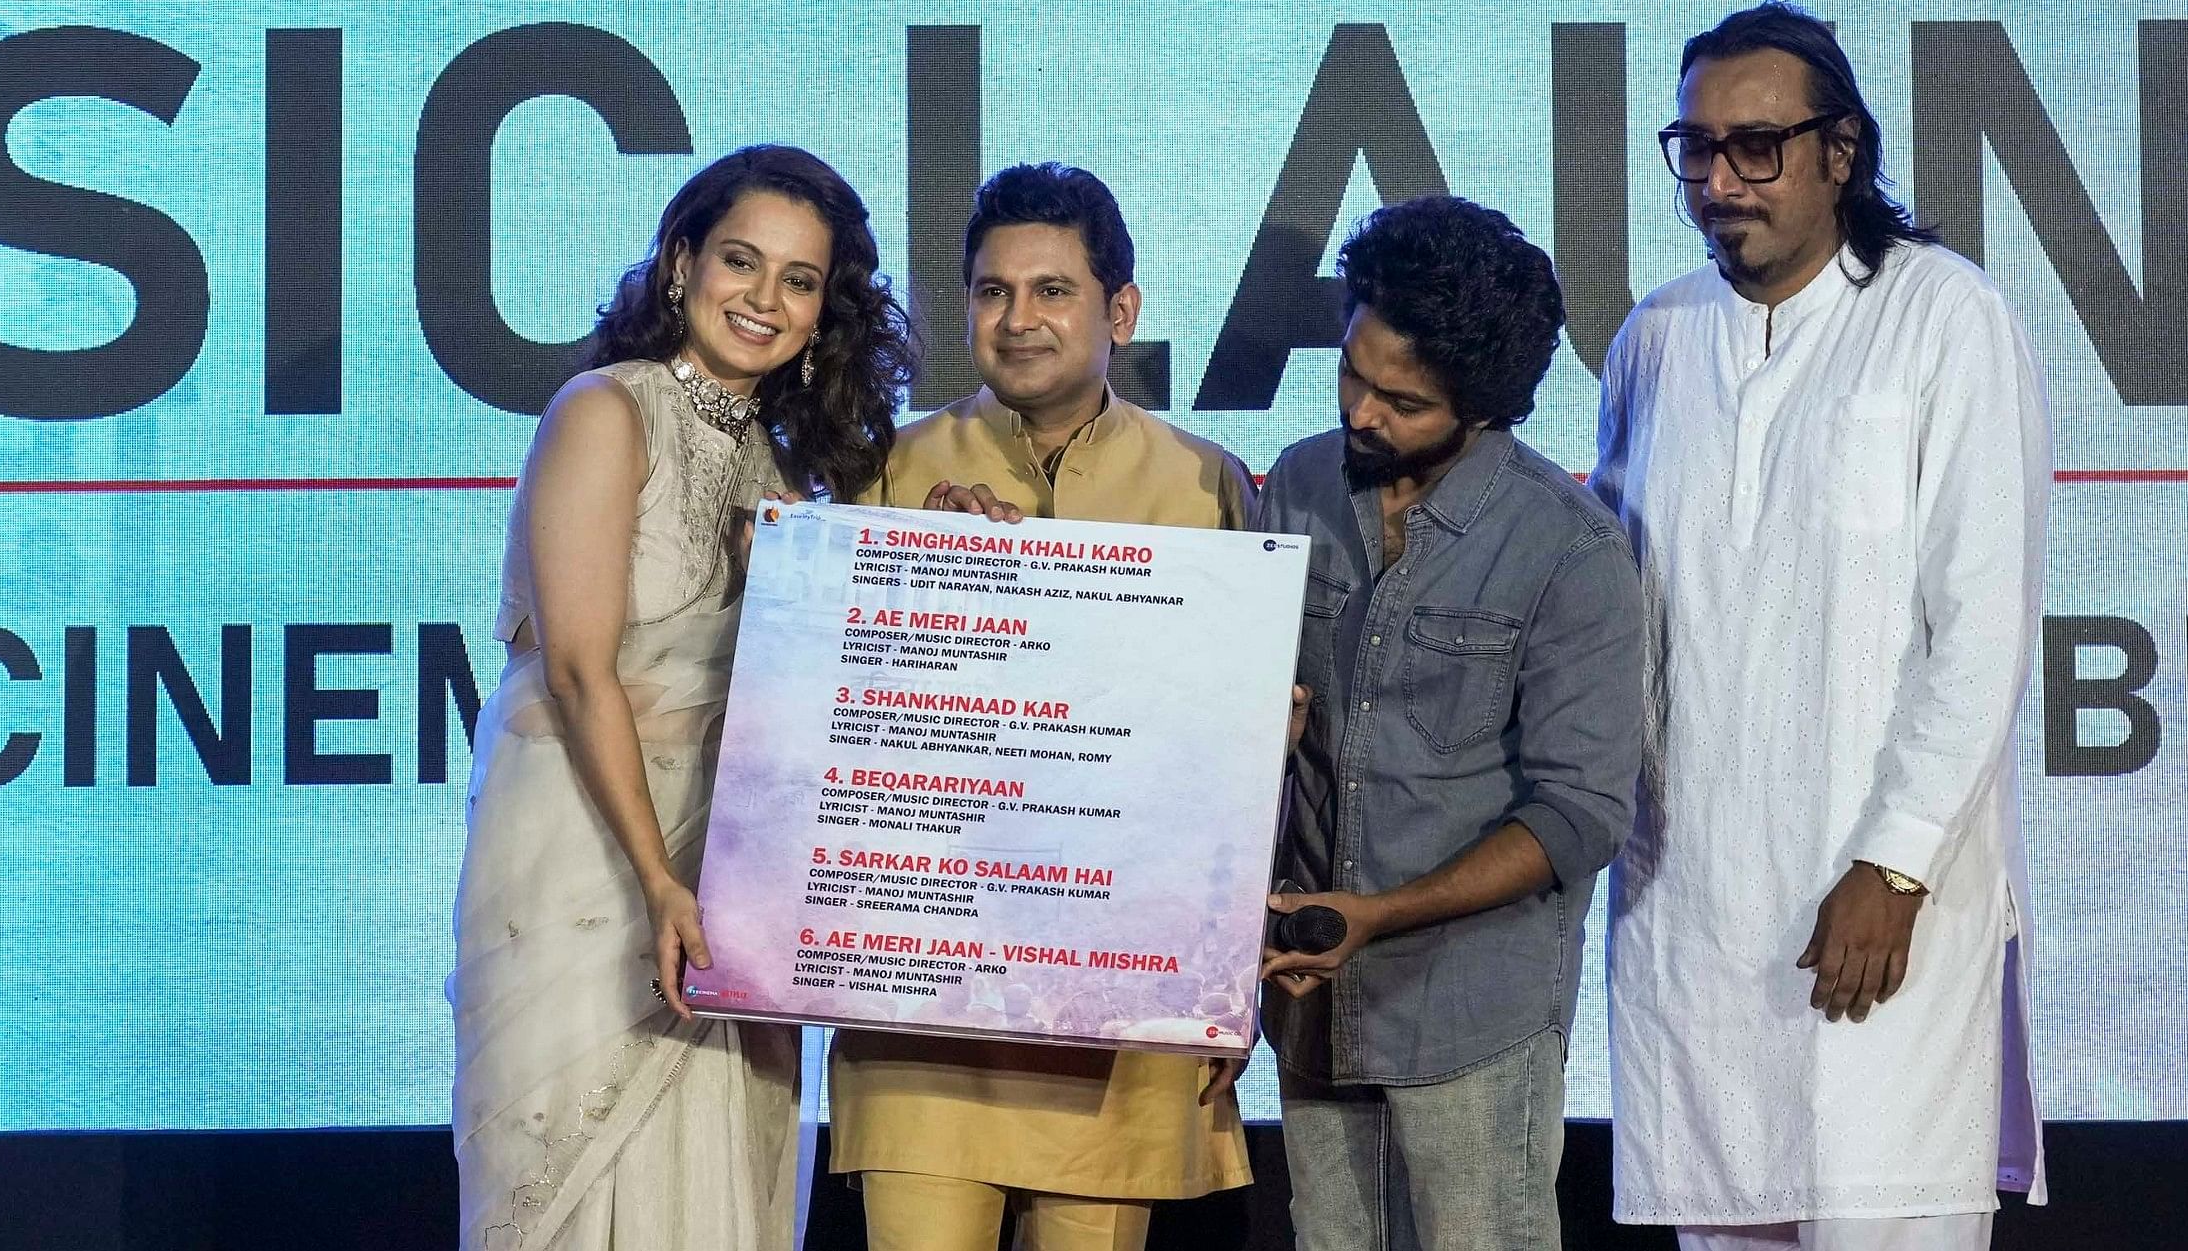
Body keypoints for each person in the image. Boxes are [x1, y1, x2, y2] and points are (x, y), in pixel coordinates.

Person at [1594, 2, 2050, 1251]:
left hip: (1879, 916)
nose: (1719, 181)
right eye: (1694, 149)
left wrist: (1895, 862)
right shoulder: (1657, 336)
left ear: (1840, 150)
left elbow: (1981, 628)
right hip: (1693, 916)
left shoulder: (1944, 317)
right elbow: (1612, 616)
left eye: (1757, 147)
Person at [450, 144, 920, 1251]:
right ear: (679, 264)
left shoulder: (781, 466)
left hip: (734, 890)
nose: (763, 298)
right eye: (740, 261)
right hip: (597, 873)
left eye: (799, 280)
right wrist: (659, 879)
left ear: (823, 313)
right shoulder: (603, 411)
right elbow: (576, 667)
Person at [832, 162, 1259, 1251]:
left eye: (1051, 290)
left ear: (1120, 309)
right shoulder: (885, 473)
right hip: (923, 1007)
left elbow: (1234, 764)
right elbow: (823, 722)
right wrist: (925, 580)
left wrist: (1228, 968)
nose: (1017, 319)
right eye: (990, 291)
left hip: (1121, 1011)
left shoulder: (1209, 485)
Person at [1254, 194, 1648, 1251]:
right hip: (1309, 1015)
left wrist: (1380, 916)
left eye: (1402, 400)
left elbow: (1580, 816)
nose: (1361, 414)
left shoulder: (1570, 551)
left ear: (1482, 408)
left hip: (1472, 1019)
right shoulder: (1294, 484)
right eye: (1351, 373)